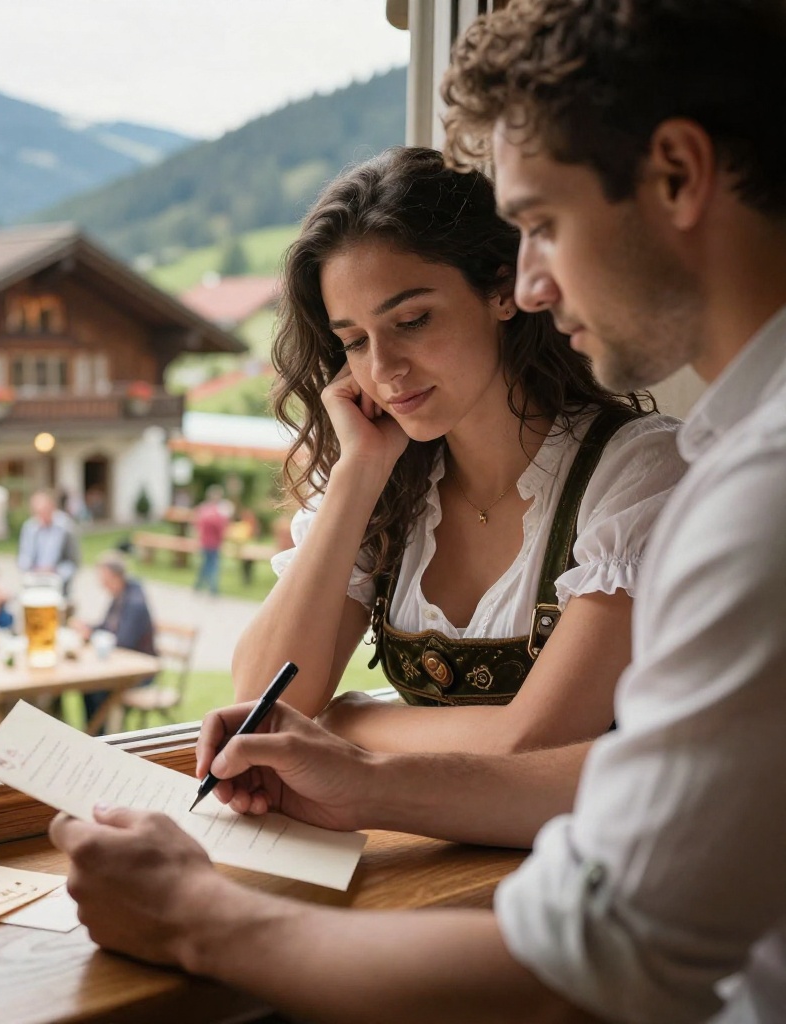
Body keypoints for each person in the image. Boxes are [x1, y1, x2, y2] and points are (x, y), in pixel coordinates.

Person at [49, 2, 786, 1021]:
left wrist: (197, 913)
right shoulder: (739, 460)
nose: (529, 280)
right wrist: (357, 476)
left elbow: (602, 957)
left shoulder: (746, 489)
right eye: (351, 338)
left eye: (539, 223)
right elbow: (276, 689)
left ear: (675, 173)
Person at [232, 146, 684, 755]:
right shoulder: (389, 490)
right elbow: (261, 707)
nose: (385, 369)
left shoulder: (635, 474)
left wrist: (347, 723)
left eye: (412, 320)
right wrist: (357, 472)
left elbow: (534, 745)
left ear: (501, 290)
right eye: (357, 341)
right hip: (437, 849)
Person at [73, 551, 156, 732]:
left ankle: (99, 736)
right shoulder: (120, 595)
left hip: (138, 674)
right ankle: (94, 734)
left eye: (103, 577)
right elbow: (105, 627)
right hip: (120, 667)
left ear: (115, 576)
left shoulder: (134, 602)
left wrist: (93, 636)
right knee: (87, 688)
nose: (101, 583)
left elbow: (123, 641)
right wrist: (89, 628)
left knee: (96, 690)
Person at [16, 489, 80, 595]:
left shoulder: (66, 527)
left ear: (52, 507)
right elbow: (23, 556)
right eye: (38, 512)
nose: (41, 515)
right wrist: (33, 569)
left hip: (58, 584)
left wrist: (55, 571)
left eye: (44, 510)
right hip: (34, 582)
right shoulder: (29, 528)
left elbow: (74, 562)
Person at [192, 484, 231, 595]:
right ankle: (213, 589)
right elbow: (221, 527)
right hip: (214, 543)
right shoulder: (218, 512)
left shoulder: (203, 509)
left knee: (205, 564)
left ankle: (198, 585)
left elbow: (197, 524)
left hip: (205, 542)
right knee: (213, 566)